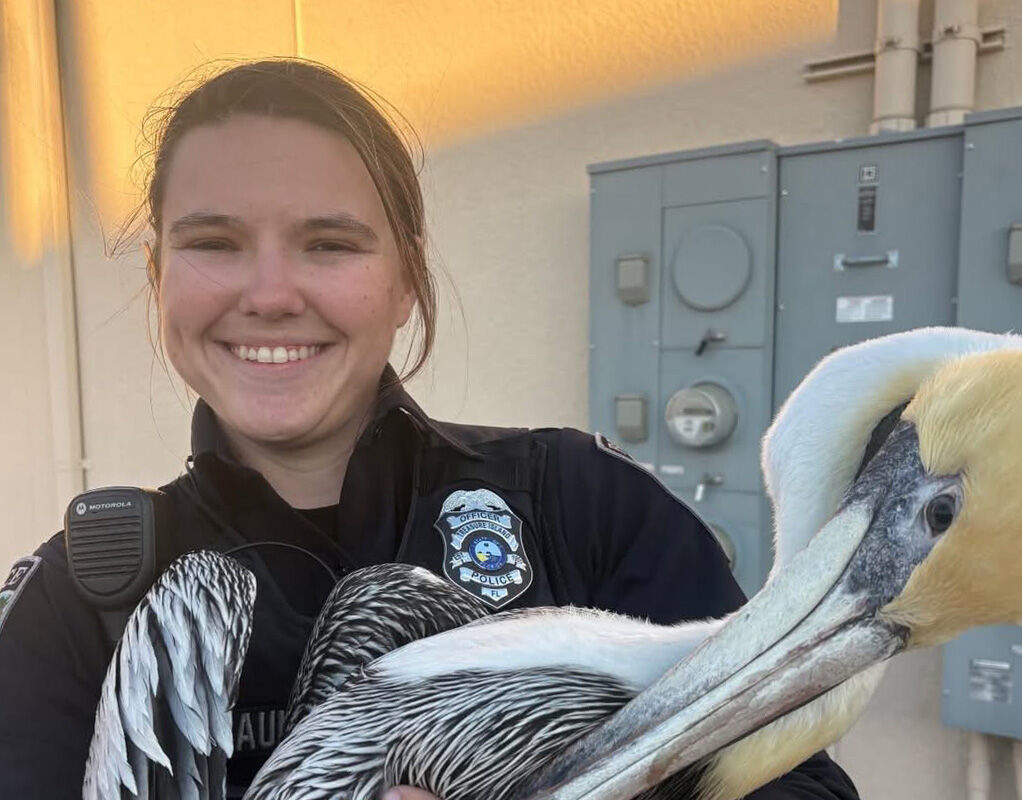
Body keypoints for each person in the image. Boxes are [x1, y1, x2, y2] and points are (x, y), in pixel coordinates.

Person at [0, 59, 859, 799]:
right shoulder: (77, 601)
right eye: (215, 242)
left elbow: (793, 779)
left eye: (329, 244)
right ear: (159, 275)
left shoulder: (583, 508)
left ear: (407, 276)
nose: (269, 294)